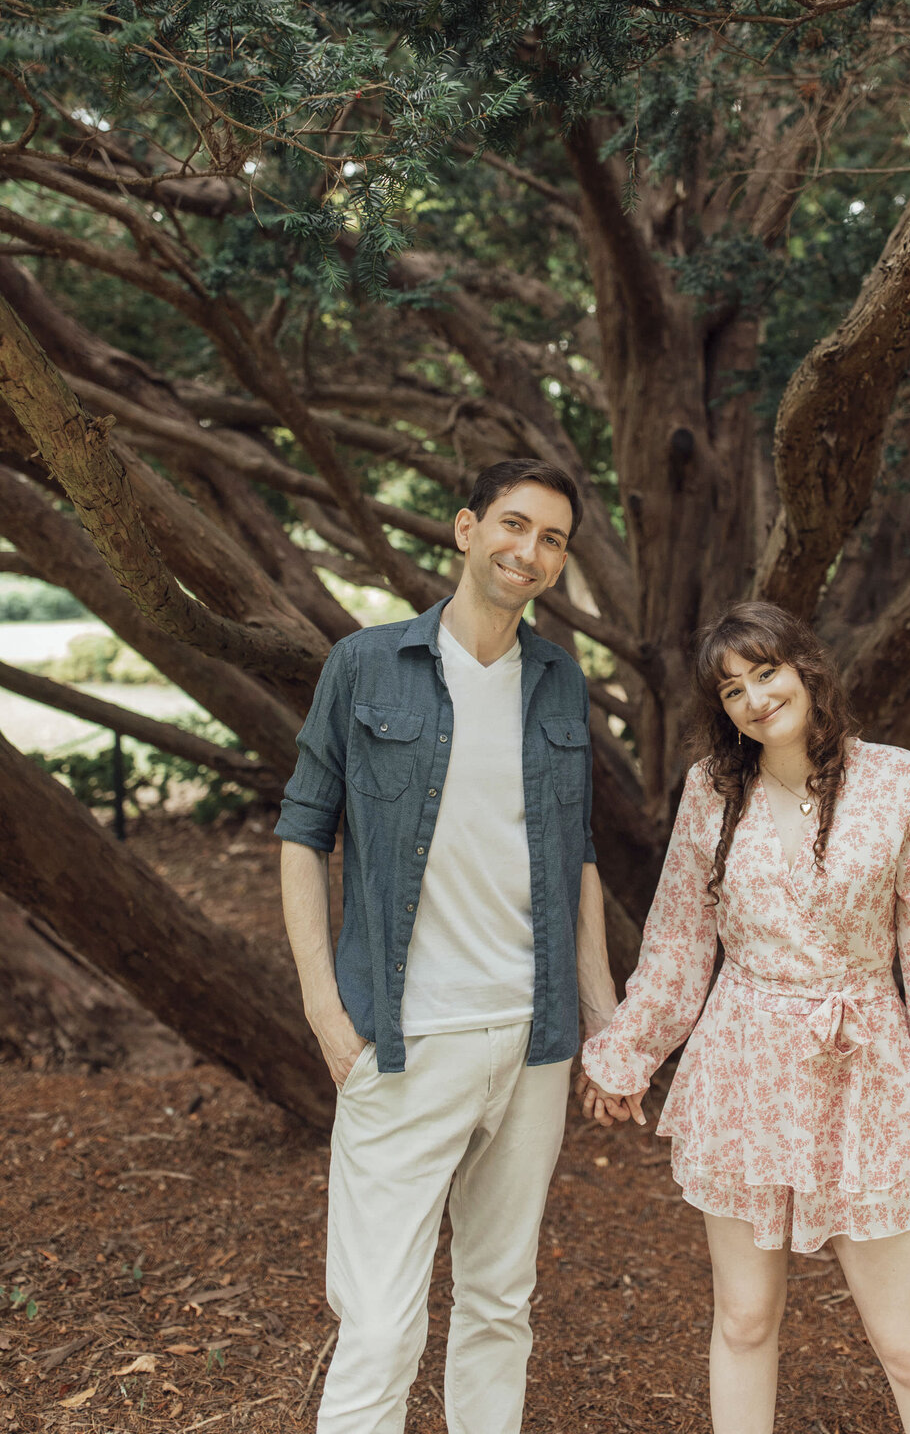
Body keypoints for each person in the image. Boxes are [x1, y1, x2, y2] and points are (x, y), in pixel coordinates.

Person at [579, 600, 910, 1434]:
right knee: (745, 1321)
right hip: (744, 1071)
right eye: (732, 690)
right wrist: (625, 1054)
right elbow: (679, 942)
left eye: (766, 672)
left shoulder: (898, 783)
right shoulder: (712, 792)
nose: (755, 698)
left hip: (866, 1076)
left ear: (806, 670)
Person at [277, 457, 618, 1434]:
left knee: (500, 1304)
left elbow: (577, 853)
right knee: (381, 1328)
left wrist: (603, 1019)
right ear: (467, 529)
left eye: (552, 539)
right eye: (514, 524)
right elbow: (302, 831)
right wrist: (324, 1011)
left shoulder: (558, 680)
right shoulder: (365, 665)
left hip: (533, 1040)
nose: (530, 551)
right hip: (402, 1040)